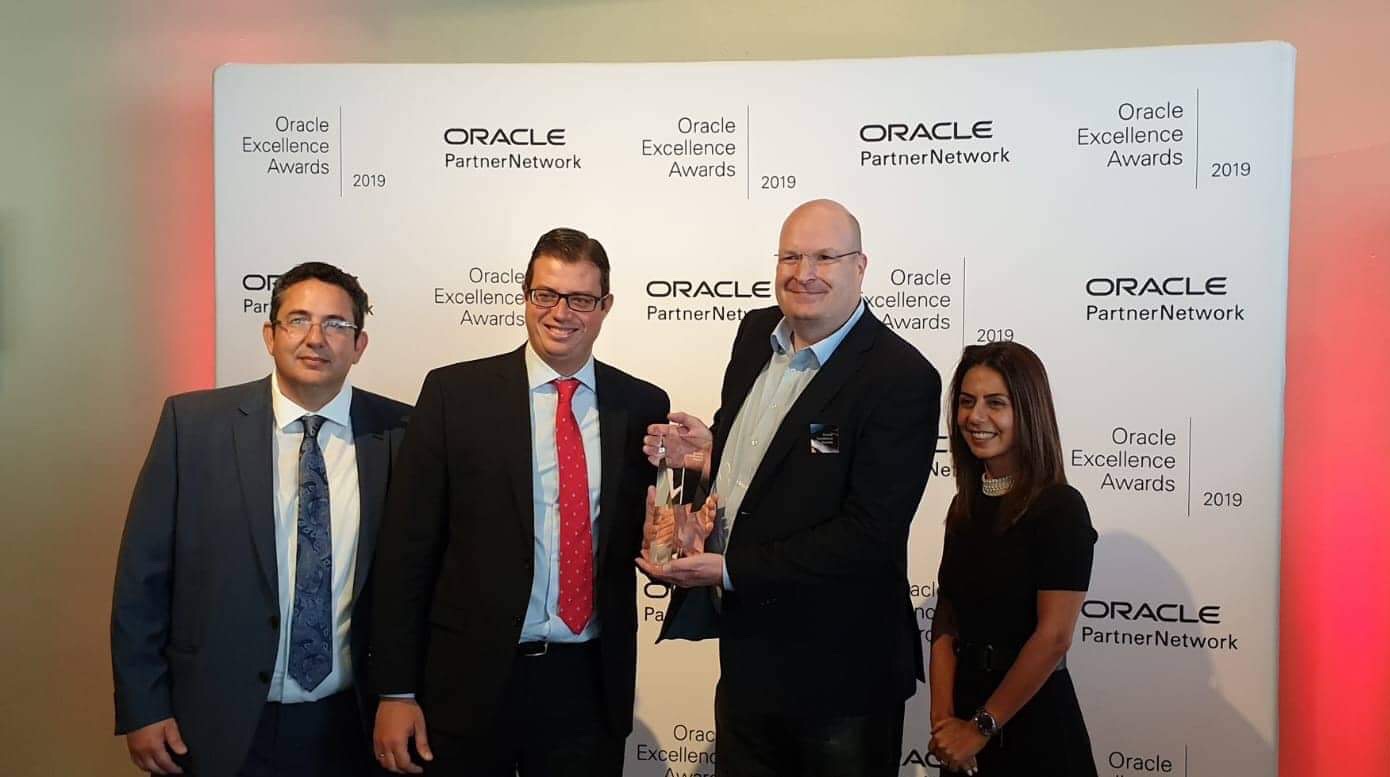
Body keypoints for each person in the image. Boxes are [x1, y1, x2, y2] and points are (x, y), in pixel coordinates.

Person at [638, 199, 941, 777]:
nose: (805, 273)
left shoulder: (900, 377)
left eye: (825, 257)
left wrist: (730, 569)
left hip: (841, 679)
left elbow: (869, 534)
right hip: (749, 659)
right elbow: (774, 458)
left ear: (860, 267)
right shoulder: (757, 333)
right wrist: (708, 457)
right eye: (791, 256)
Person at [370, 228, 668, 777]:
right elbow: (406, 551)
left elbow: (642, 531)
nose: (561, 313)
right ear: (526, 296)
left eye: (580, 299)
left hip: (588, 685)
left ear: (605, 306)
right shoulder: (454, 395)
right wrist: (395, 689)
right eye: (545, 294)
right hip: (468, 682)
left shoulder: (642, 404)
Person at [111, 262, 411, 776]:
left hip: (353, 723)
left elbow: (417, 580)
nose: (316, 338)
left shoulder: (403, 432)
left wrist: (403, 693)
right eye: (298, 320)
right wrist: (144, 705)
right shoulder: (193, 425)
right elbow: (143, 578)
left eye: (336, 325)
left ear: (359, 344)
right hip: (215, 720)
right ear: (270, 335)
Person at [927, 342, 1098, 776]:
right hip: (964, 725)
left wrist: (980, 727)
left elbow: (1054, 637)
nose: (975, 416)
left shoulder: (1060, 508)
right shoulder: (964, 507)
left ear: (1028, 412)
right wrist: (944, 721)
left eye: (995, 403)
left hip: (1033, 725)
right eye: (967, 402)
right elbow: (947, 619)